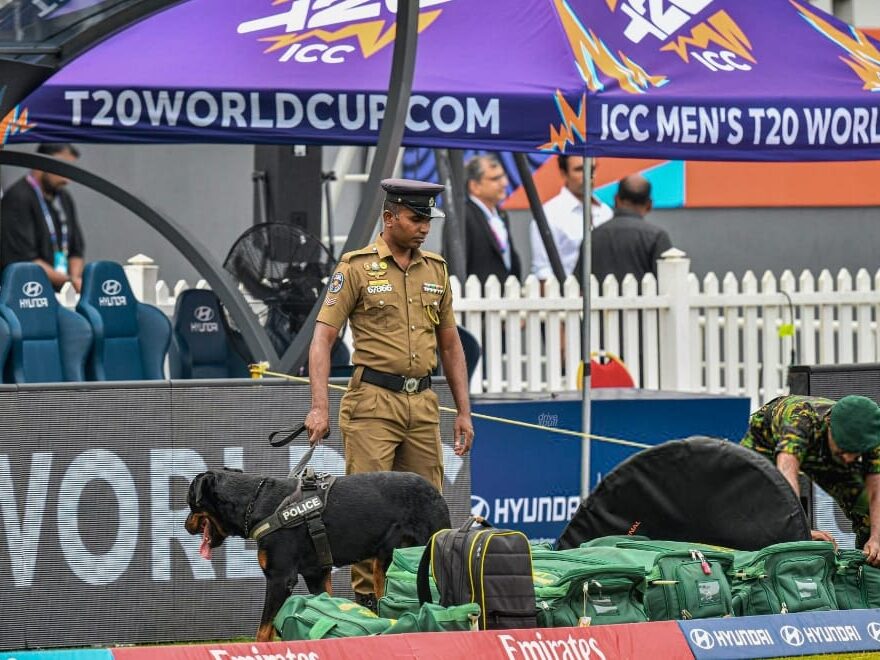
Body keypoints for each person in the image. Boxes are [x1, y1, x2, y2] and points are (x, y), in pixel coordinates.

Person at [305, 178, 475, 610]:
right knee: (366, 507)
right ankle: (368, 602)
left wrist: (464, 411)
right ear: (389, 217)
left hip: (423, 402)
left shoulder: (435, 269)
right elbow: (322, 339)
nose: (424, 228)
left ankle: (421, 598)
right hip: (372, 402)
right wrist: (319, 406)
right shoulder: (356, 267)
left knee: (426, 505)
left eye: (428, 220)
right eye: (416, 219)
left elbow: (451, 344)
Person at [741, 394, 880, 566]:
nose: (849, 458)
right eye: (844, 450)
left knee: (866, 509)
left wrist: (876, 538)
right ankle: (760, 568)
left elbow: (876, 490)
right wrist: (803, 532)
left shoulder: (871, 432)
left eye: (856, 453)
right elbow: (786, 476)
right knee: (758, 509)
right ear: (829, 427)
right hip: (766, 444)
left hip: (826, 453)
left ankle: (866, 570)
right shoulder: (799, 418)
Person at [0, 143, 85, 292]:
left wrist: (73, 280)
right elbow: (25, 259)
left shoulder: (64, 197)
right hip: (29, 291)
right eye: (63, 170)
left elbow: (76, 250)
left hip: (65, 290)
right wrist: (69, 281)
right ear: (42, 164)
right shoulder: (18, 198)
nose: (67, 179)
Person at [575, 174, 672, 286]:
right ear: (649, 204)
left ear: (616, 199)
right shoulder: (656, 237)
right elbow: (668, 283)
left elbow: (578, 284)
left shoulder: (592, 237)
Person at [530, 155, 612, 282]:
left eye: (591, 169)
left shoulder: (606, 212)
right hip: (566, 291)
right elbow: (543, 270)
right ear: (564, 173)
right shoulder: (550, 214)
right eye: (579, 170)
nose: (587, 175)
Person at [463, 154, 521, 284]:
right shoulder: (463, 216)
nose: (504, 183)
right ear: (475, 186)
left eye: (503, 176)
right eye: (495, 179)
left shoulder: (501, 214)